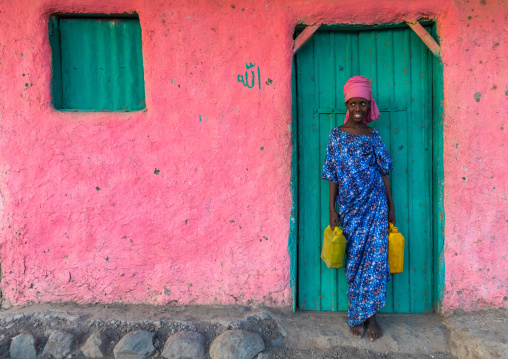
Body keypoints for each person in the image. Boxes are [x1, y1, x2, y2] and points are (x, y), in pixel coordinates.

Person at [321, 76, 396, 341]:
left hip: (375, 205)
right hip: (350, 208)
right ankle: (356, 313)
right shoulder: (336, 135)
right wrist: (332, 208)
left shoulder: (373, 135)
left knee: (375, 261)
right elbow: (331, 173)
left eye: (363, 104)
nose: (357, 109)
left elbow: (384, 170)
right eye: (353, 103)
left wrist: (390, 206)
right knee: (353, 262)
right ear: (347, 104)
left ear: (368, 105)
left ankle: (371, 316)